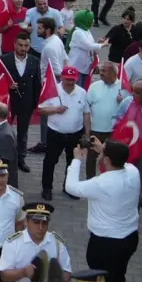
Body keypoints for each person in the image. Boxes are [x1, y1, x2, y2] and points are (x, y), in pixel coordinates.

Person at [65, 139, 140, 282]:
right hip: (129, 238)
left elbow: (71, 186)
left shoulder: (101, 183)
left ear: (107, 160)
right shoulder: (133, 171)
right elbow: (121, 161)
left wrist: (77, 159)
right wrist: (103, 151)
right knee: (118, 277)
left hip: (105, 244)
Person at [0, 201, 73, 282]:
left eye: (44, 223)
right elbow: (4, 276)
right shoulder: (13, 243)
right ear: (26, 222)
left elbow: (66, 273)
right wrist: (23, 272)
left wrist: (63, 279)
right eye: (36, 222)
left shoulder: (57, 243)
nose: (41, 228)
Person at [38, 66, 91, 201]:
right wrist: (55, 109)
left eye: (73, 80)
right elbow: (41, 110)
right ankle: (47, 188)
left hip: (75, 134)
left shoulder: (82, 92)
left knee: (72, 162)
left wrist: (87, 133)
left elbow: (86, 113)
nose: (70, 82)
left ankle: (69, 187)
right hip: (55, 133)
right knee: (50, 161)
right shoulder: (52, 89)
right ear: (61, 77)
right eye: (68, 79)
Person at [1, 33, 41, 169]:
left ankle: (21, 159)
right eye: (20, 45)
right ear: (14, 45)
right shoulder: (5, 60)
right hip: (8, 102)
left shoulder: (34, 61)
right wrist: (8, 86)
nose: (23, 48)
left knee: (23, 134)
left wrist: (35, 104)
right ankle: (4, 157)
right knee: (5, 131)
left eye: (26, 46)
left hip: (26, 103)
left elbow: (37, 84)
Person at [84, 63, 127, 179]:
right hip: (96, 130)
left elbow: (131, 109)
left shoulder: (124, 87)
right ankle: (91, 181)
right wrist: (87, 132)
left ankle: (108, 181)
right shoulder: (94, 86)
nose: (101, 73)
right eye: (100, 70)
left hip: (114, 131)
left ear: (114, 73)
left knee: (111, 159)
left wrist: (124, 101)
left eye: (104, 71)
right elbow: (86, 108)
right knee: (91, 158)